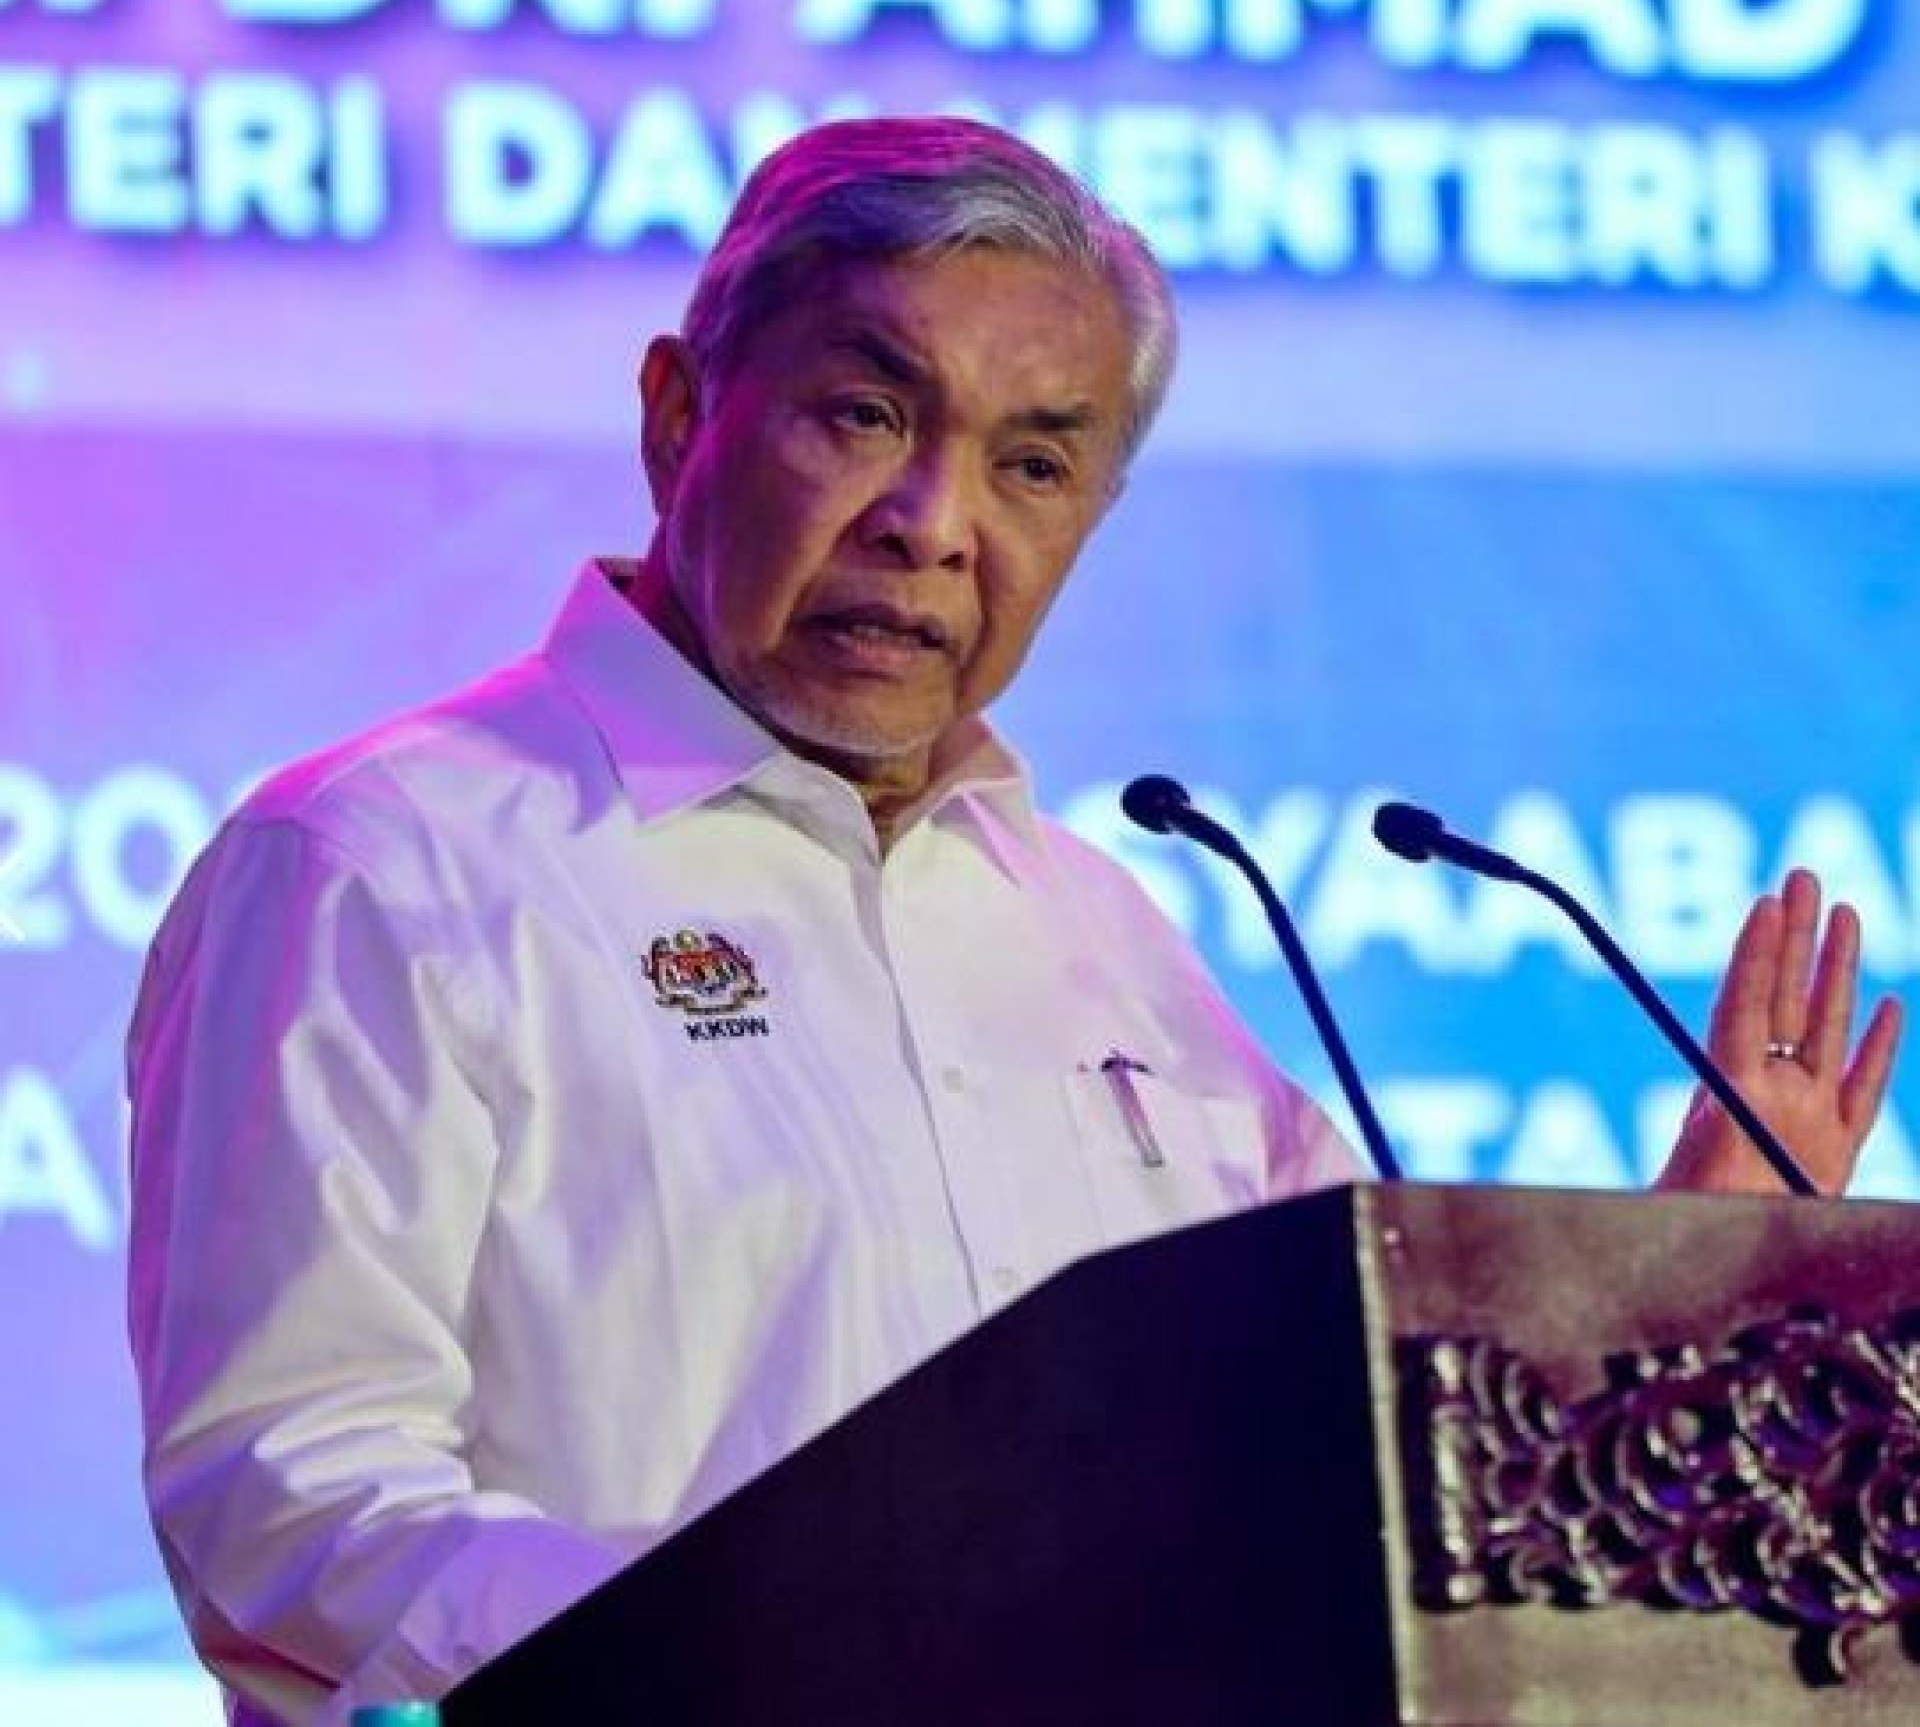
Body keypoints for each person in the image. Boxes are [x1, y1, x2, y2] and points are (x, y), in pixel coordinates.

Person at [126, 117, 1902, 1726]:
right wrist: (804, 1657)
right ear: (677, 416)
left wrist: (1659, 1321)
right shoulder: (383, 864)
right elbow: (296, 1503)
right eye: (864, 415)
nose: (932, 526)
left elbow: (1331, 1458)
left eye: (1033, 467)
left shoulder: (1102, 937)